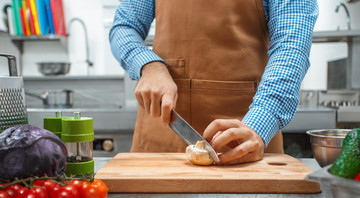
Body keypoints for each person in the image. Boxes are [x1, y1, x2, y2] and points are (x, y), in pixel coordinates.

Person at [109, 0, 319, 165]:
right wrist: (149, 65)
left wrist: (258, 125)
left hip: (244, 143)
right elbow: (125, 26)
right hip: (160, 141)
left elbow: (291, 47)